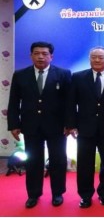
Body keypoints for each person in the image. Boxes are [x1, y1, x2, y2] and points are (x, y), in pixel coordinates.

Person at [7, 41, 71, 208]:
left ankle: (57, 193)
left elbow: (69, 102)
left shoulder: (64, 74)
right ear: (31, 56)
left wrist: (69, 124)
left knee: (58, 160)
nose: (41, 56)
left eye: (44, 53)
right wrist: (14, 124)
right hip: (31, 125)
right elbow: (13, 102)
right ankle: (33, 195)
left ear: (51, 56)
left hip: (57, 126)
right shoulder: (20, 75)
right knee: (33, 161)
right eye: (37, 53)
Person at [65, 46, 104, 208]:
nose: (97, 60)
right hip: (85, 129)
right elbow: (71, 103)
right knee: (84, 164)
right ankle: (85, 195)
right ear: (90, 59)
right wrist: (71, 125)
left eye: (100, 57)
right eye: (93, 57)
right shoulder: (77, 77)